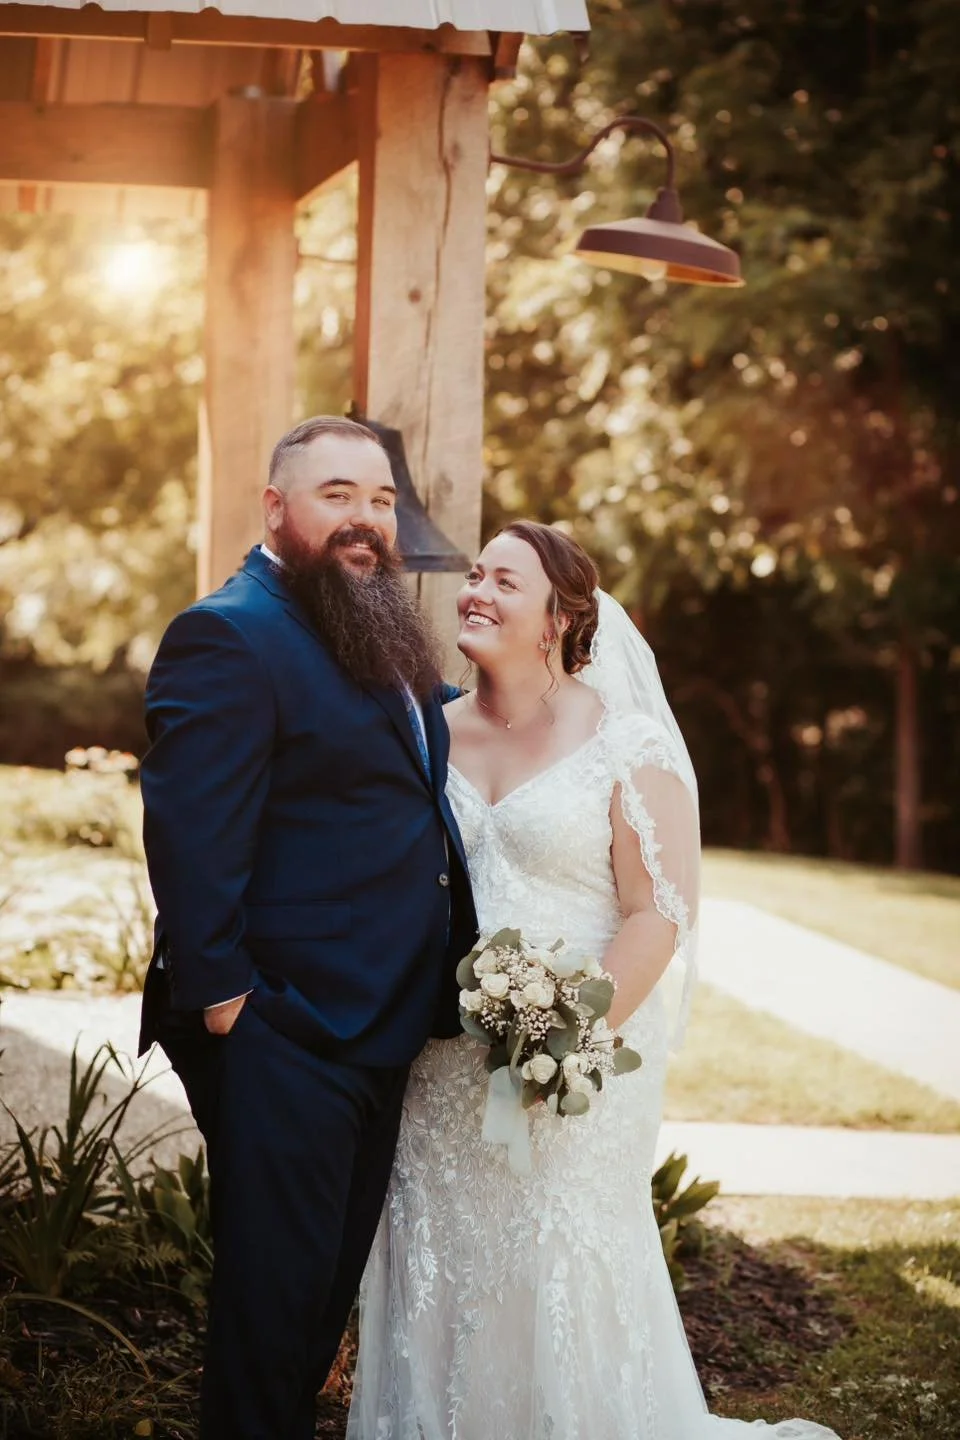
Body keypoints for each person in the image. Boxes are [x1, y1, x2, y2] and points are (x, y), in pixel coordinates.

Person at [348, 520, 840, 1440]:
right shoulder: (426, 730)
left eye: (506, 580)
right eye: (475, 575)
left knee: (557, 1252)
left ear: (559, 618)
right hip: (443, 1059)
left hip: (580, 1049)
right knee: (439, 1244)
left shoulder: (629, 745)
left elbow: (658, 912)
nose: (477, 591)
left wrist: (564, 1032)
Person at [137, 415, 478, 1440]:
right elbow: (192, 845)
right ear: (276, 508)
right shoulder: (229, 634)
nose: (365, 518)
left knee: (315, 1313)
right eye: (337, 495)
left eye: (379, 498)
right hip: (286, 1035)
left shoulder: (366, 625)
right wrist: (236, 1008)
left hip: (378, 1028)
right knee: (270, 1321)